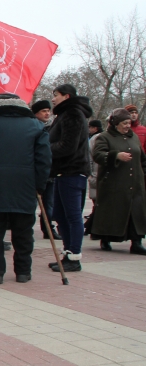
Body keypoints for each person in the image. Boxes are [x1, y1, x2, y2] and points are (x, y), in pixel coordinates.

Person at [0, 94, 51, 284]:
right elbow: (44, 160)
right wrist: (39, 185)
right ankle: (23, 272)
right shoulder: (36, 126)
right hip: (25, 186)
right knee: (23, 233)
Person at [49, 84, 93, 273]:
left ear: (66, 96)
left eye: (56, 95)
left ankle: (74, 256)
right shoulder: (64, 114)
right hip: (62, 172)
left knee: (73, 215)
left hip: (72, 172)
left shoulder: (73, 113)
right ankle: (68, 253)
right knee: (60, 214)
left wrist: (44, 150)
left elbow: (68, 146)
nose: (53, 99)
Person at [90, 109, 146, 255]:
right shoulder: (104, 137)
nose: (128, 126)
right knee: (112, 212)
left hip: (135, 182)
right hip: (114, 183)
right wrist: (116, 155)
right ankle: (106, 239)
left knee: (136, 212)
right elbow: (98, 155)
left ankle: (136, 242)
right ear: (115, 124)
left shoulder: (133, 137)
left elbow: (141, 157)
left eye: (129, 123)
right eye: (124, 123)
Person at [31, 99, 61, 240]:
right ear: (36, 113)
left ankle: (49, 229)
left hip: (50, 172)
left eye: (48, 110)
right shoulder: (32, 128)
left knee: (48, 204)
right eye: (44, 111)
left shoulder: (53, 127)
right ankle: (27, 230)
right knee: (31, 204)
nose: (47, 113)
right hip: (34, 172)